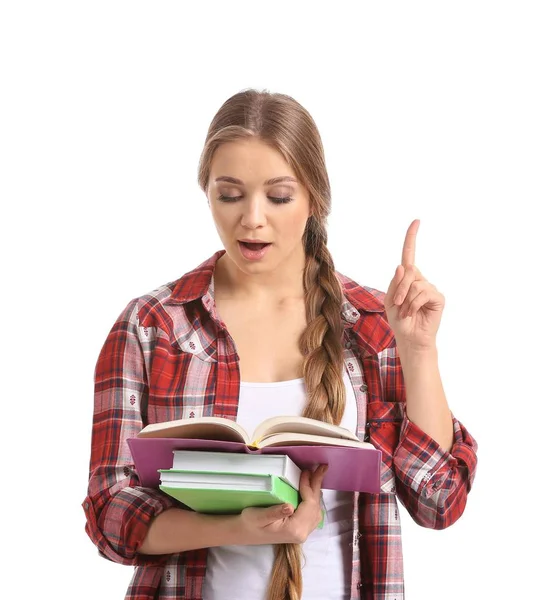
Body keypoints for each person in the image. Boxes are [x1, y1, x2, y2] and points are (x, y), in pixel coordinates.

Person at [82, 88, 478, 600]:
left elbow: (438, 502)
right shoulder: (151, 327)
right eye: (230, 194)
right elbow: (110, 516)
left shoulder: (375, 324)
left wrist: (419, 351)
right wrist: (238, 527)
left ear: (315, 199)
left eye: (279, 196)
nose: (252, 218)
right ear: (206, 192)